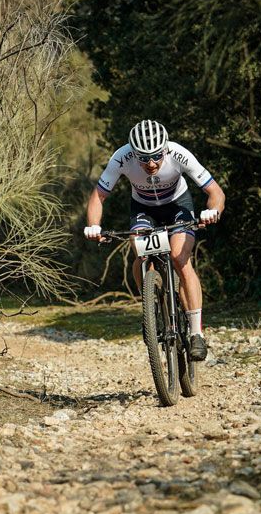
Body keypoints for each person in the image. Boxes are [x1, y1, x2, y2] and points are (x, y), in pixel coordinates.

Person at [83, 119, 225, 361]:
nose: (150, 163)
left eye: (157, 156)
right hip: (143, 209)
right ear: (133, 153)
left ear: (165, 149)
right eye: (143, 158)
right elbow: (98, 196)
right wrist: (94, 225)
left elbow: (215, 192)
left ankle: (196, 333)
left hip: (178, 206)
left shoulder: (179, 154)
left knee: (179, 258)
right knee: (140, 253)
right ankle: (150, 309)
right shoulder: (121, 157)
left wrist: (213, 211)